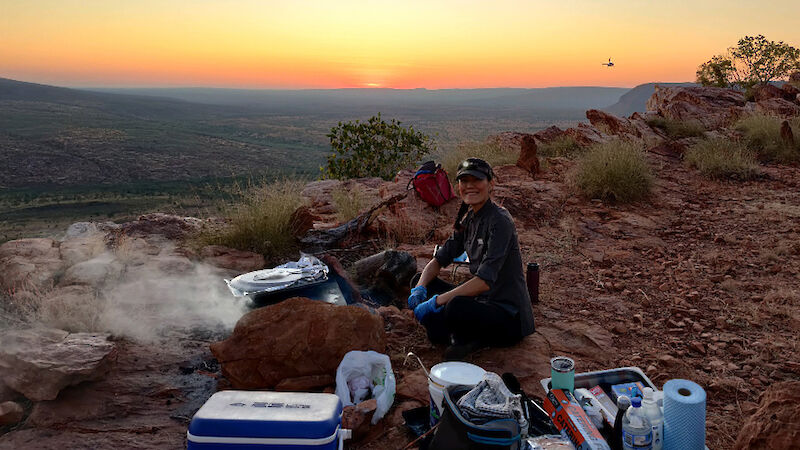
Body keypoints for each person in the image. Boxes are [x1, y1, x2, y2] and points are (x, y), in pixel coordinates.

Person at [408, 157, 535, 360]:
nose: (470, 186)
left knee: (455, 306)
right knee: (419, 279)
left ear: (491, 184)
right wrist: (420, 289)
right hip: (481, 302)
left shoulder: (500, 221)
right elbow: (439, 260)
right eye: (464, 181)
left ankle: (466, 337)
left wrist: (436, 302)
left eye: (476, 180)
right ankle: (458, 334)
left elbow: (484, 282)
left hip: (508, 315)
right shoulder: (469, 220)